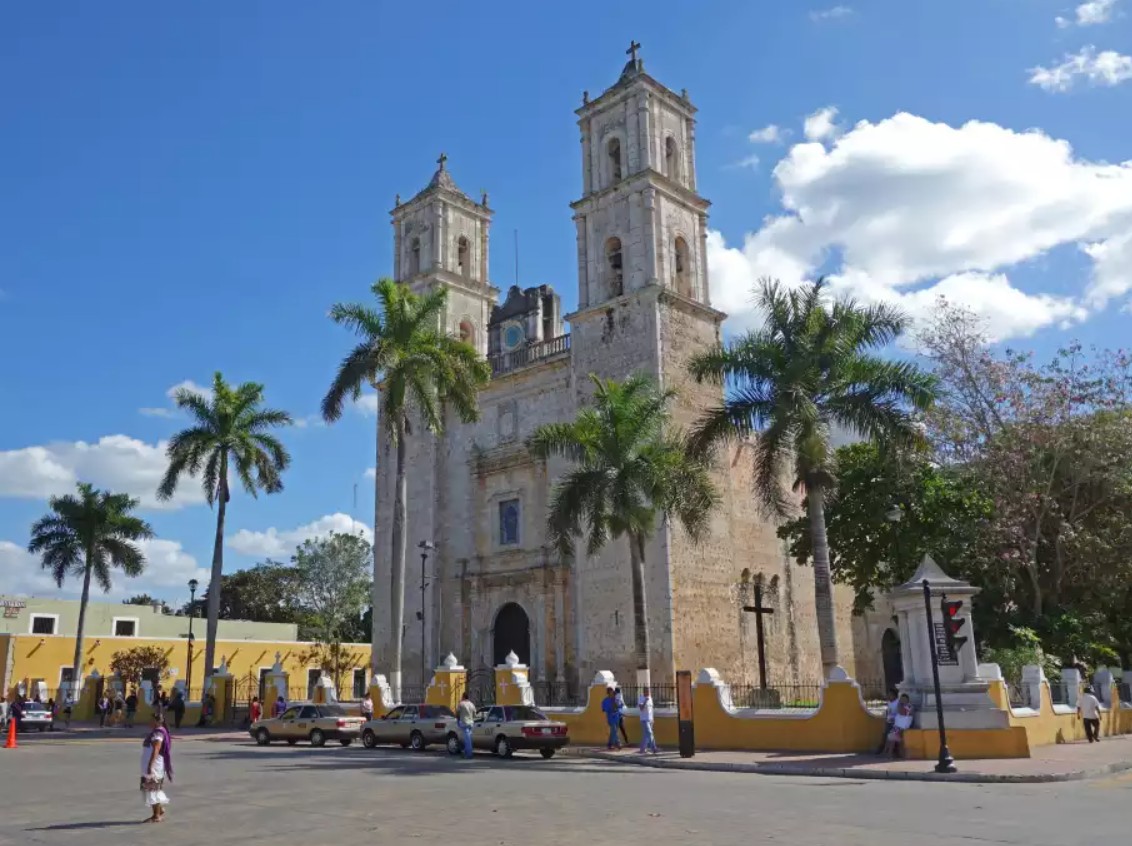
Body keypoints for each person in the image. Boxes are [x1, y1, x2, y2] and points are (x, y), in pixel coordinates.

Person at [141, 711, 173, 823]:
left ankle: (156, 815)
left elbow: (156, 749)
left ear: (156, 721)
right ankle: (160, 810)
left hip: (155, 765)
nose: (148, 722)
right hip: (155, 764)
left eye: (151, 720)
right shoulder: (157, 732)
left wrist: (150, 765)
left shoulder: (158, 734)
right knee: (153, 788)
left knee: (152, 789)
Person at [882, 693, 914, 758]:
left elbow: (902, 712)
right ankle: (886, 752)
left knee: (892, 737)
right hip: (898, 725)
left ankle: (889, 753)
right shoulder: (900, 705)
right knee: (889, 737)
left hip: (903, 725)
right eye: (902, 699)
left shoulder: (910, 706)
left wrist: (901, 705)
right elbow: (899, 712)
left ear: (907, 699)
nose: (903, 700)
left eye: (904, 699)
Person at [877, 688, 900, 754]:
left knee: (891, 737)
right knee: (885, 735)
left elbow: (899, 713)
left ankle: (890, 751)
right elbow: (887, 712)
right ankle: (883, 750)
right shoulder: (889, 702)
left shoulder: (897, 702)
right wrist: (886, 719)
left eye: (890, 695)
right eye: (888, 695)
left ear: (894, 695)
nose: (889, 696)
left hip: (895, 722)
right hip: (888, 721)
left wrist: (894, 719)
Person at [456, 690, 476, 759]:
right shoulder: (472, 704)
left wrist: (458, 720)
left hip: (464, 723)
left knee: (467, 740)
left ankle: (468, 754)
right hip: (471, 723)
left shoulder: (461, 704)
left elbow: (457, 713)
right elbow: (474, 714)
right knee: (469, 738)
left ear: (463, 697)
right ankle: (466, 751)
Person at [637, 687, 658, 754]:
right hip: (644, 719)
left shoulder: (650, 698)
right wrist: (645, 701)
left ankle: (642, 749)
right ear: (644, 691)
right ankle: (654, 748)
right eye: (647, 691)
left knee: (646, 735)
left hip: (650, 719)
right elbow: (641, 708)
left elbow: (651, 710)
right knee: (649, 733)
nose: (648, 693)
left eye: (649, 691)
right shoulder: (641, 698)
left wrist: (653, 719)